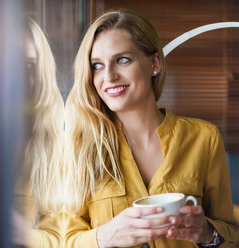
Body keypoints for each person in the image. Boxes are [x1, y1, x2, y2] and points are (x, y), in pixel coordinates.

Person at [64, 9, 238, 248]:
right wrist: (104, 236)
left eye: (122, 60)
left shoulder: (204, 138)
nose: (109, 76)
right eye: (97, 66)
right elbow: (61, 239)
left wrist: (207, 233)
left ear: (154, 64)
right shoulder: (78, 147)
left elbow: (231, 234)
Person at [12, 17, 65, 247]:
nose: (17, 77)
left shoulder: (60, 147)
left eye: (28, 66)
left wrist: (25, 235)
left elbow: (68, 238)